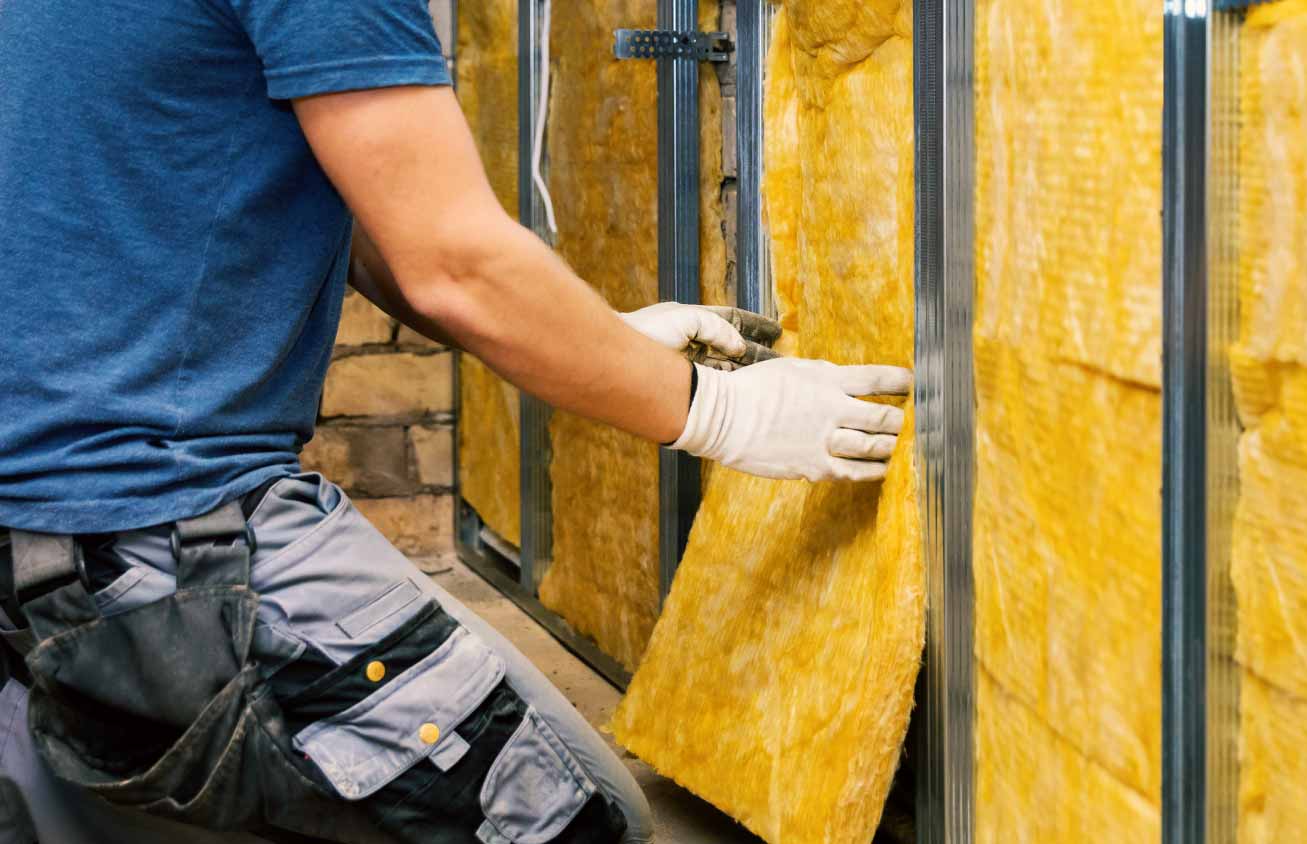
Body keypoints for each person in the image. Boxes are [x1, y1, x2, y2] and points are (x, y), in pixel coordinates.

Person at [0, 0, 911, 842]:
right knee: (570, 819)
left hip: (35, 542)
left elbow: (352, 218)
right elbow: (454, 264)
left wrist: (599, 337)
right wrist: (720, 412)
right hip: (165, 541)